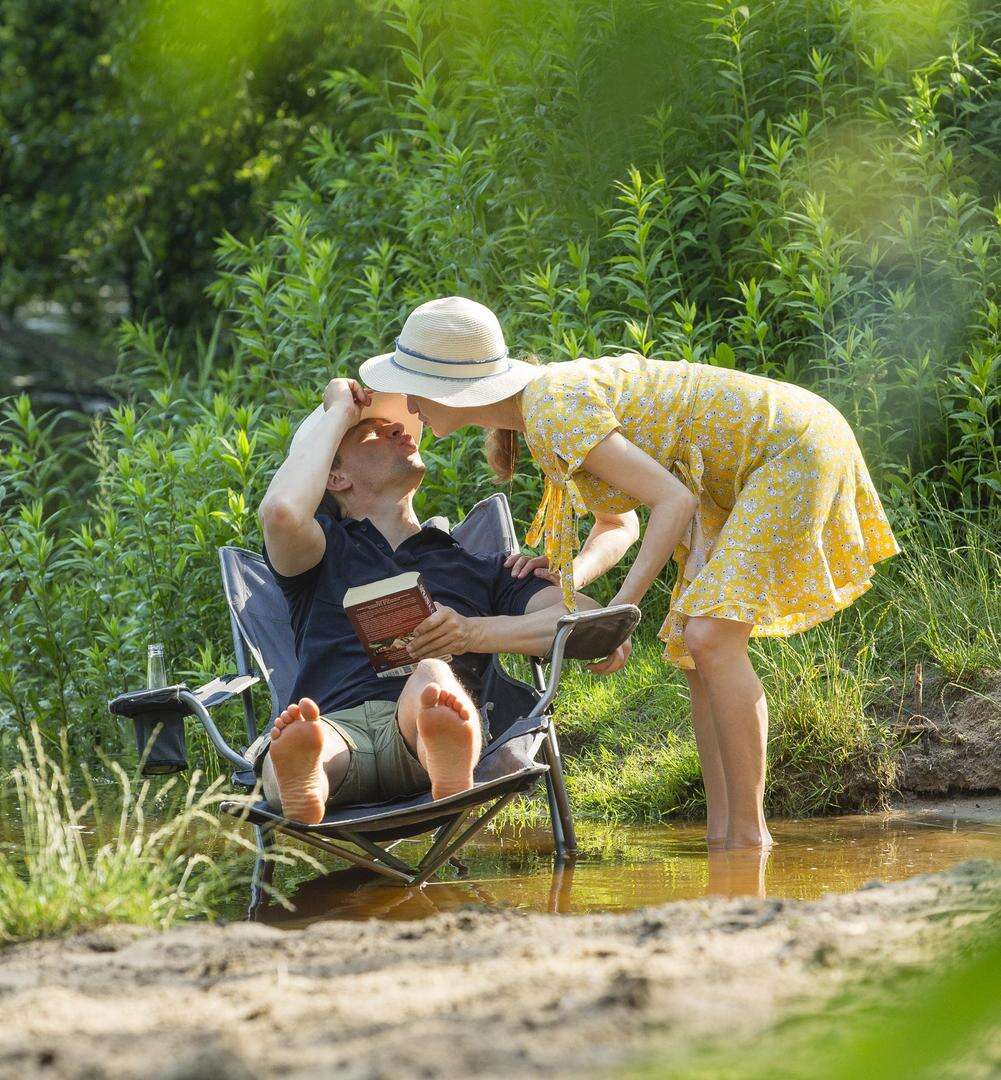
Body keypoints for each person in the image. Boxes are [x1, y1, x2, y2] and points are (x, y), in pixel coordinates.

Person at [360, 296, 901, 850]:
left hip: (790, 449)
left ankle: (748, 837)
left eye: (412, 386)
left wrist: (620, 615)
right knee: (698, 654)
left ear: (451, 386)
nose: (408, 404)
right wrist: (570, 575)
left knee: (711, 637)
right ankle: (724, 838)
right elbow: (619, 523)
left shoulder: (552, 407)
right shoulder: (542, 411)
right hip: (747, 471)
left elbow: (674, 502)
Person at [253, 379, 629, 824]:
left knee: (431, 676)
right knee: (307, 736)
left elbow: (589, 618)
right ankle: (307, 776)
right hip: (335, 727)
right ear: (336, 476)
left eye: (402, 425)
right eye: (372, 431)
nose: (401, 430)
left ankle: (440, 756)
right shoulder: (317, 552)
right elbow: (280, 512)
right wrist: (338, 409)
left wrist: (475, 632)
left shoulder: (480, 567)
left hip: (427, 728)